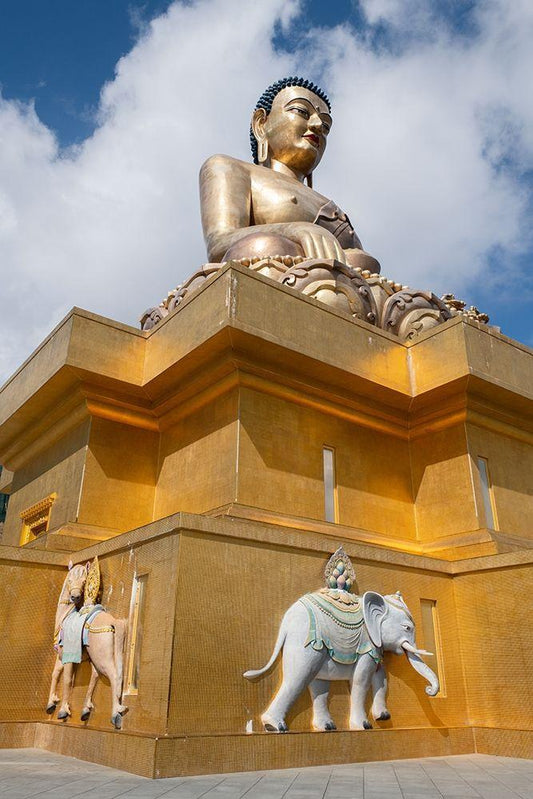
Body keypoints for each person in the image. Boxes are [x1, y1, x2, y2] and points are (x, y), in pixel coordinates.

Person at [199, 76, 380, 272]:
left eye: (326, 126)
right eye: (301, 111)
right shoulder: (231, 168)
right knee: (264, 246)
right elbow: (219, 243)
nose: (317, 125)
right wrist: (293, 230)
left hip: (335, 284)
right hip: (272, 267)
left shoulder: (329, 205)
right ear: (261, 124)